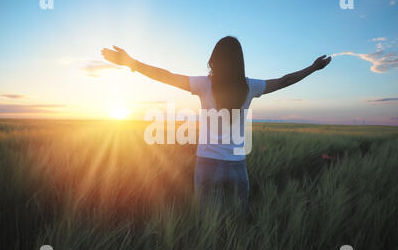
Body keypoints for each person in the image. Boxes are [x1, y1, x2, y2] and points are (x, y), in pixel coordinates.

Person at [101, 36, 331, 207]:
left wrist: (131, 62)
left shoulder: (204, 84)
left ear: (214, 59)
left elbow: (167, 76)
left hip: (207, 165)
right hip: (237, 167)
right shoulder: (251, 86)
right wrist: (313, 68)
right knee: (237, 226)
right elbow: (284, 81)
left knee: (206, 226)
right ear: (239, 61)